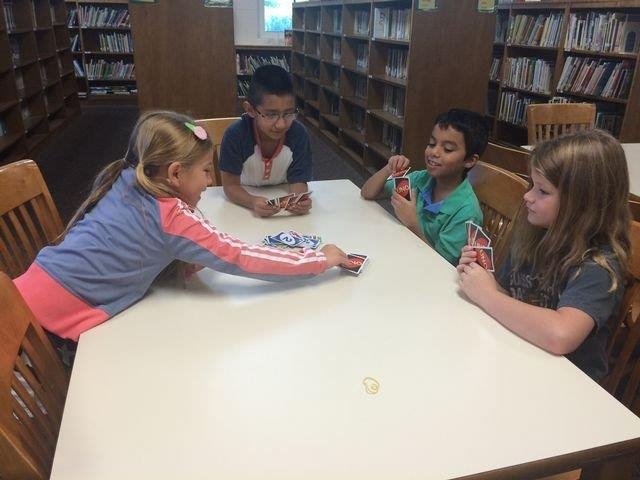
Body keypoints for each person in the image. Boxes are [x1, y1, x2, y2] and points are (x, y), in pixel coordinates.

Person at [13, 110, 348, 351]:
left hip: (23, 290)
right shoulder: (173, 217)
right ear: (174, 174)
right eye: (204, 171)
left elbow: (129, 244)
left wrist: (175, 261)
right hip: (47, 331)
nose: (209, 181)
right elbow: (242, 257)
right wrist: (319, 259)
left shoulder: (128, 176)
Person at [457, 129, 631, 381]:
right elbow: (509, 295)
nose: (527, 196)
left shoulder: (599, 266)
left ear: (582, 203)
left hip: (568, 386)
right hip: (520, 356)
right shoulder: (535, 232)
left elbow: (560, 335)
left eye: (543, 191)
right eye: (531, 185)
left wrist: (486, 294)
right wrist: (481, 276)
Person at [360, 108, 488, 265]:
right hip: (403, 255)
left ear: (470, 160)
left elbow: (442, 266)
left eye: (447, 149)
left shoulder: (467, 212)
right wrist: (389, 168)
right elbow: (368, 192)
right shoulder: (422, 178)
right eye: (432, 143)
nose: (434, 152)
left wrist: (412, 223)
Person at [219, 64, 312, 217]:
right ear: (250, 110)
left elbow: (298, 181)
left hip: (282, 206)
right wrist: (252, 202)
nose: (281, 124)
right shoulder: (236, 135)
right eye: (271, 115)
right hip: (242, 203)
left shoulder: (298, 134)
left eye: (289, 113)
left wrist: (299, 199)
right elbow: (230, 186)